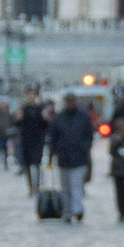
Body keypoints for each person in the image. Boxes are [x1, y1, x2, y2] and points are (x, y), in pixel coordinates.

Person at [48, 93, 95, 224]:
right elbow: (53, 137)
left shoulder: (83, 117)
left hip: (79, 158)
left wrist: (84, 147)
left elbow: (89, 135)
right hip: (63, 158)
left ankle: (77, 209)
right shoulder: (59, 118)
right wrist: (53, 153)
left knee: (76, 185)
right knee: (65, 188)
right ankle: (67, 212)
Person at [16, 88, 49, 193]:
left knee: (37, 163)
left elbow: (45, 126)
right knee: (27, 164)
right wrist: (18, 119)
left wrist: (45, 119)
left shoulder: (40, 109)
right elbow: (18, 125)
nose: (30, 97)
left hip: (37, 140)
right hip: (26, 140)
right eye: (28, 95)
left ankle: (37, 186)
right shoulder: (23, 109)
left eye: (32, 95)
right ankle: (30, 186)